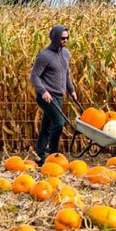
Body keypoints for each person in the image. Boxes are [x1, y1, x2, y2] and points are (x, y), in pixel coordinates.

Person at [29, 25, 82, 165]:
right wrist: (43, 91)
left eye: (67, 38)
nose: (65, 40)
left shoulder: (66, 53)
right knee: (59, 123)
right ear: (55, 38)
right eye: (62, 38)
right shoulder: (44, 55)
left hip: (59, 96)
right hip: (47, 97)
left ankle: (40, 155)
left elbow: (66, 73)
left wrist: (71, 90)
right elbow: (34, 76)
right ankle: (53, 154)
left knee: (46, 126)